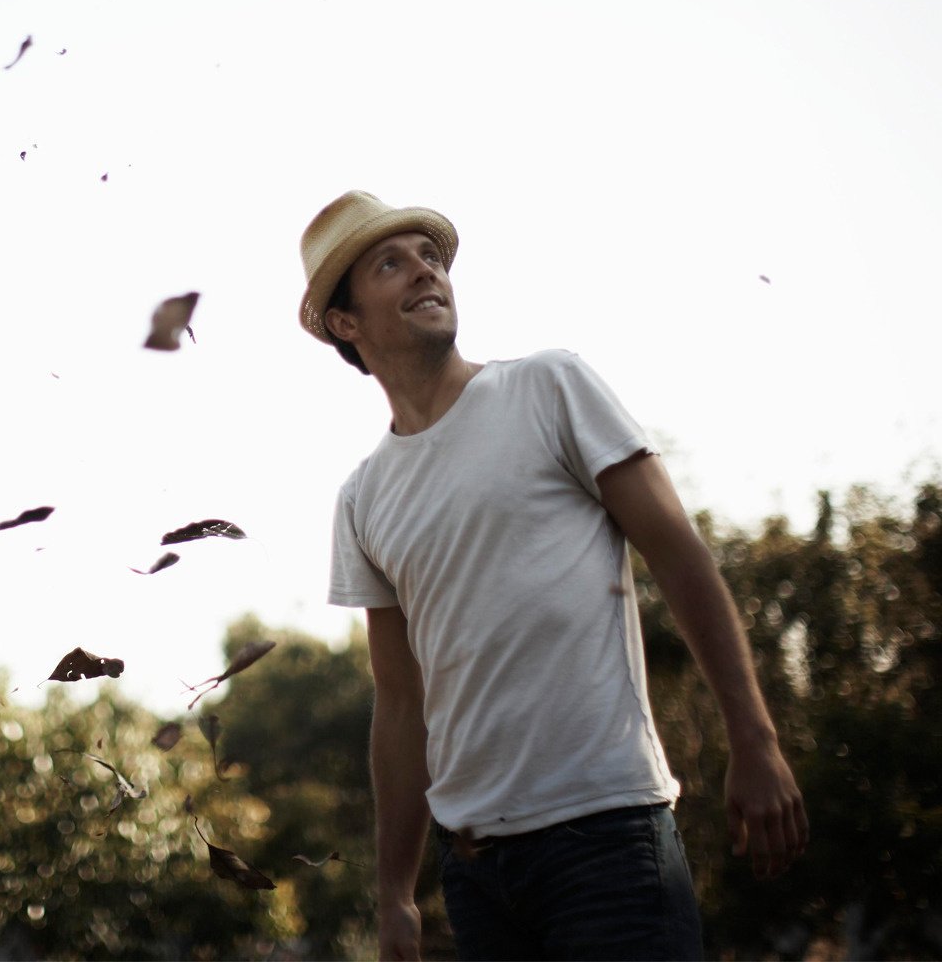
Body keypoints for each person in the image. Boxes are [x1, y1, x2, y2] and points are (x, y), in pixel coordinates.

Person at [298, 191, 808, 961]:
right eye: (390, 265)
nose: (426, 272)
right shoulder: (362, 498)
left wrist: (755, 739)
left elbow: (679, 555)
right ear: (346, 322)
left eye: (430, 256)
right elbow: (401, 704)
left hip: (607, 838)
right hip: (476, 869)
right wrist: (395, 891)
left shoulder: (548, 387)